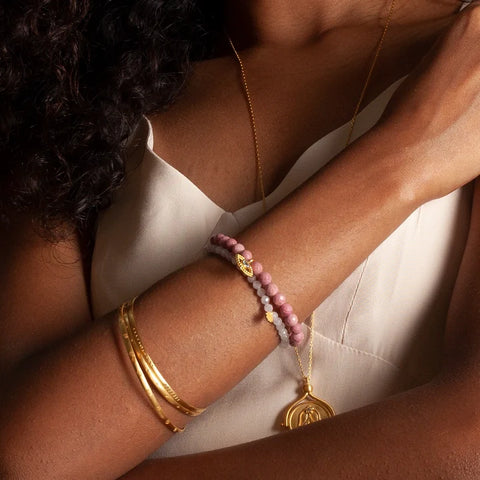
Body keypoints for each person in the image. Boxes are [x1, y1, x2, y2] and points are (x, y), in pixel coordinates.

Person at [1, 0, 480, 478]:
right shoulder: (66, 97)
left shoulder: (468, 56)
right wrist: (400, 161)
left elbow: (469, 443)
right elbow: (26, 458)